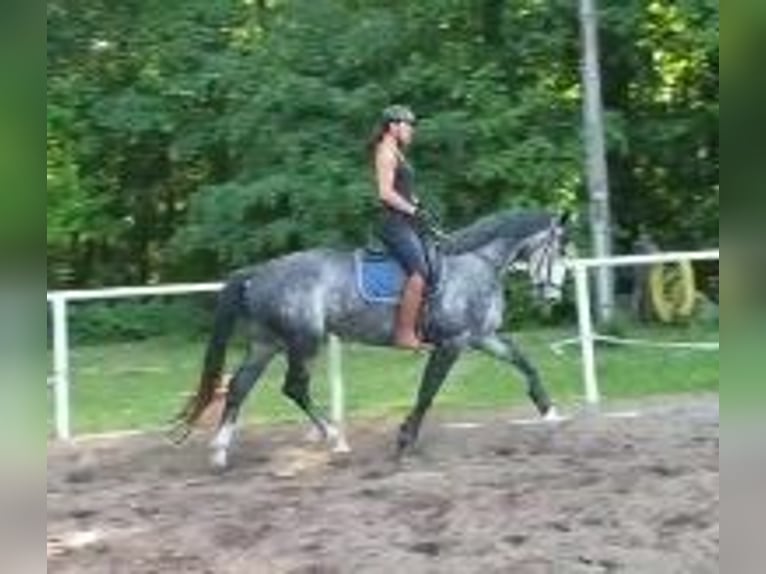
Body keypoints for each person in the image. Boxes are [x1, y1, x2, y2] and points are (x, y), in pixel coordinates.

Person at [371, 105, 430, 350]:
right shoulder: (386, 152)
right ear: (393, 126)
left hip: (405, 220)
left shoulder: (398, 152)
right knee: (419, 273)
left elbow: (402, 189)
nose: (411, 131)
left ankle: (424, 326)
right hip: (393, 223)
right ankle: (404, 334)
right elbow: (385, 193)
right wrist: (412, 210)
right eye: (408, 125)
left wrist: (417, 205)